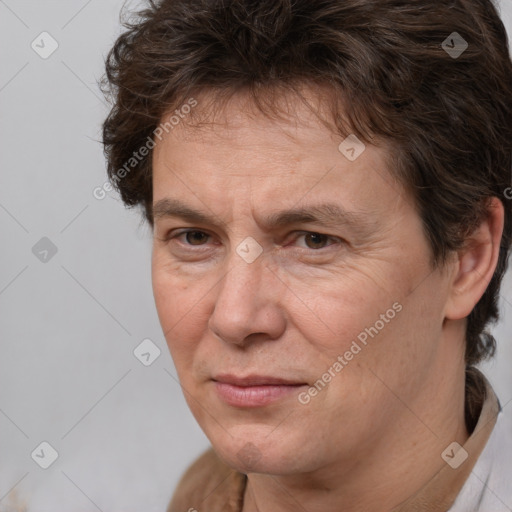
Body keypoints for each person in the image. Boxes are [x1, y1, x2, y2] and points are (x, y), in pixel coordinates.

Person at [100, 0, 512, 510]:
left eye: (313, 240)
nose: (234, 318)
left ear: (468, 258)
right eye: (194, 238)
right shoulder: (193, 495)